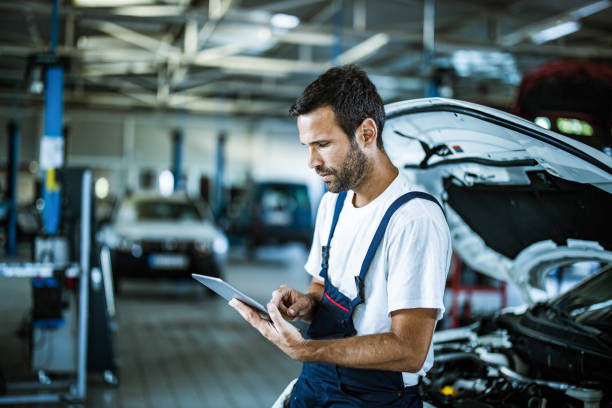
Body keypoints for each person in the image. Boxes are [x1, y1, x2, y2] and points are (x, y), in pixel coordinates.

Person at [230, 65, 451, 407]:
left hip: (375, 396)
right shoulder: (332, 204)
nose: (312, 162)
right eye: (307, 146)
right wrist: (305, 302)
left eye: (322, 144)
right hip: (316, 381)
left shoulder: (414, 219)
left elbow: (410, 350)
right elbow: (322, 285)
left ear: (366, 133)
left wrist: (305, 349)